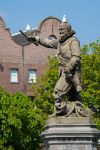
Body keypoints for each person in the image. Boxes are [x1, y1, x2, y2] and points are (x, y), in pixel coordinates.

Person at [27, 15, 82, 116]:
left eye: (62, 30)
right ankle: (72, 112)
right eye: (59, 30)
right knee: (73, 98)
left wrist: (69, 67)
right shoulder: (60, 42)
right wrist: (36, 38)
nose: (60, 32)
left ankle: (60, 113)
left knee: (58, 91)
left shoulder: (73, 41)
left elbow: (76, 57)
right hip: (64, 72)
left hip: (71, 73)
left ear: (68, 31)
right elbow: (48, 42)